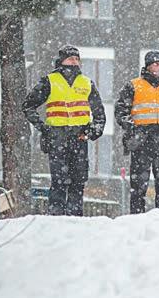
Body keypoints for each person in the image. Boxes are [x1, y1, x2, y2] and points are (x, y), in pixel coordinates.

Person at [22, 45, 106, 216]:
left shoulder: (87, 83)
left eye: (77, 59)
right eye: (70, 58)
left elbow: (100, 114)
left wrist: (91, 132)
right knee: (58, 181)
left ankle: (75, 218)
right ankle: (56, 217)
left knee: (78, 181)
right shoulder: (50, 81)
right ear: (61, 61)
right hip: (57, 138)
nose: (74, 62)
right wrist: (43, 128)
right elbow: (28, 105)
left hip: (79, 138)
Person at [114, 51, 159, 214]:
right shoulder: (133, 86)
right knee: (138, 186)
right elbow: (121, 110)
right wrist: (133, 129)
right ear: (147, 66)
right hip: (141, 142)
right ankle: (137, 218)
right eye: (156, 64)